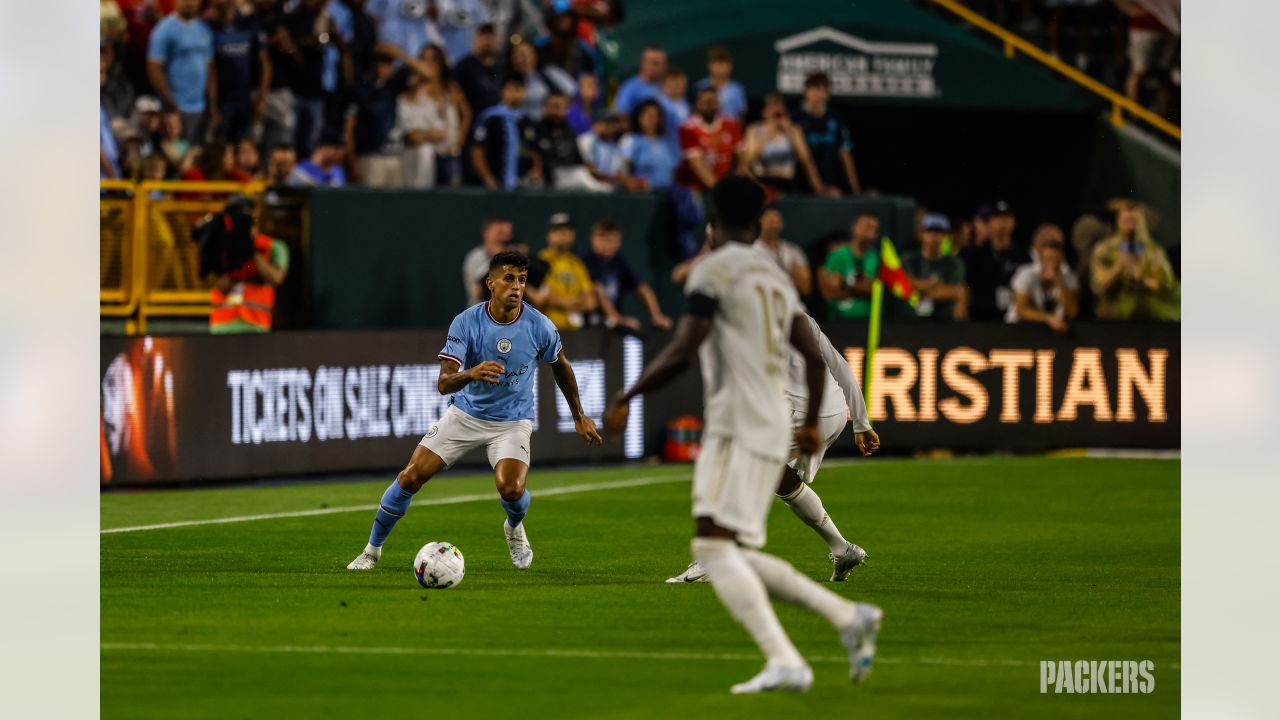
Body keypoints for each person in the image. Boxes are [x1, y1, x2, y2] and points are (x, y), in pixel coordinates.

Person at [603, 177, 884, 694]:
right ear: (758, 225)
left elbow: (685, 348)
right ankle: (840, 619)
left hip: (739, 421)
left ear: (711, 223)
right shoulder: (774, 275)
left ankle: (804, 647)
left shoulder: (711, 269)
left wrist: (628, 395)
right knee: (721, 545)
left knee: (716, 547)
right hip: (768, 419)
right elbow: (813, 350)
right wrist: (807, 424)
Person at [346, 250, 603, 572]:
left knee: (511, 489)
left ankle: (514, 528)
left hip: (512, 422)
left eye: (522, 280)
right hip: (465, 416)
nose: (517, 286)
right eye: (509, 278)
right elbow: (443, 384)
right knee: (410, 477)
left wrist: (579, 415)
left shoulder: (540, 326)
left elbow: (561, 366)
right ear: (491, 283)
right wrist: (471, 373)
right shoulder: (467, 322)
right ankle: (371, 551)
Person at [667, 310, 876, 583]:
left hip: (800, 411)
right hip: (834, 411)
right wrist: (860, 422)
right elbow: (839, 365)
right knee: (781, 479)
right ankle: (842, 549)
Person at [345, 44, 433, 187]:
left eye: (389, 63)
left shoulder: (392, 86)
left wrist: (399, 54)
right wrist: (351, 162)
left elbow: (428, 74)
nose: (387, 67)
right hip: (370, 156)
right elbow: (349, 129)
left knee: (393, 206)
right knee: (372, 205)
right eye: (383, 62)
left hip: (394, 155)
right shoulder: (360, 89)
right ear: (373, 64)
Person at [205, 197, 290, 334]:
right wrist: (238, 264)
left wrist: (252, 251)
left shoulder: (274, 246)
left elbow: (276, 278)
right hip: (222, 325)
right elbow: (220, 287)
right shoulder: (220, 246)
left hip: (256, 325)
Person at [1090, 200, 1180, 320]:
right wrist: (1120, 266)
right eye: (1126, 221)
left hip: (1149, 320)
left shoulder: (1154, 252)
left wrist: (1140, 280)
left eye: (1134, 221)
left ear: (1142, 224)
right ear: (1119, 223)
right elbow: (1100, 286)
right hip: (1113, 320)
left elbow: (1162, 285)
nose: (1130, 227)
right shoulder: (1105, 249)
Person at [581, 219, 671, 330]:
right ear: (593, 239)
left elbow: (642, 288)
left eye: (613, 240)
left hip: (612, 328)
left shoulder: (618, 261)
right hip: (587, 326)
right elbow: (598, 291)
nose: (608, 245)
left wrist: (657, 316)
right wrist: (618, 319)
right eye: (603, 239)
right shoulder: (585, 261)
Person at [396, 45, 466, 189]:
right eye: (424, 59)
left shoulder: (451, 88)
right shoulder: (415, 91)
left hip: (450, 154)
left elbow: (466, 113)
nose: (429, 64)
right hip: (427, 153)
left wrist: (460, 139)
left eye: (434, 60)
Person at [146, 0, 215, 145]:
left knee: (193, 156)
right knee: (175, 158)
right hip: (175, 108)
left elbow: (209, 68)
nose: (189, 3)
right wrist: (170, 102)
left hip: (199, 107)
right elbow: (154, 68)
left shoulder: (204, 29)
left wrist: (212, 104)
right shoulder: (164, 29)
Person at [204, 0, 270, 143]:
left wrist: (261, 97)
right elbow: (210, 69)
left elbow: (264, 63)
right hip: (221, 102)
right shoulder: (209, 27)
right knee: (220, 146)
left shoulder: (248, 25)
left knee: (244, 147)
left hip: (246, 100)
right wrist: (212, 105)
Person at [739, 94, 824, 195]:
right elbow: (748, 160)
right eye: (771, 108)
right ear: (764, 112)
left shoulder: (794, 130)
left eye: (779, 108)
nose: (776, 112)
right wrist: (767, 136)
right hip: (763, 181)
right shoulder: (754, 129)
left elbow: (805, 159)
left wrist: (790, 132)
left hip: (786, 181)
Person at [469, 73, 541, 190]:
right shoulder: (490, 118)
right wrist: (487, 177)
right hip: (494, 183)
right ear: (503, 91)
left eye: (520, 89)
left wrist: (536, 171)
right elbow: (477, 151)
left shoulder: (526, 121)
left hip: (523, 185)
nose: (516, 94)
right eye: (513, 89)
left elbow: (535, 150)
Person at [792, 73, 860, 195]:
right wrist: (819, 188)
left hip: (832, 186)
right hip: (800, 187)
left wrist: (856, 190)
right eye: (814, 89)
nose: (818, 95)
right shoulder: (794, 118)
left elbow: (845, 154)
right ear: (805, 91)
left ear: (828, 94)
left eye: (822, 90)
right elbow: (804, 157)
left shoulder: (836, 118)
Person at [961, 200, 1028, 321]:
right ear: (990, 222)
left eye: (1007, 218)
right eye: (998, 218)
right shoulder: (974, 254)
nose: (1002, 223)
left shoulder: (1023, 255)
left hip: (1016, 320)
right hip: (981, 319)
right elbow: (965, 288)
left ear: (1013, 222)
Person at [1007, 223, 1079, 332]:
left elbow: (1072, 312)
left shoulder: (1068, 278)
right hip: (1017, 329)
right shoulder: (1025, 274)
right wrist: (1048, 319)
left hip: (1053, 331)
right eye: (1048, 260)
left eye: (1056, 261)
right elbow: (1021, 311)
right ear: (1040, 260)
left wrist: (1058, 282)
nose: (1052, 265)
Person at [532, 92, 609, 192]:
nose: (557, 111)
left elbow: (579, 161)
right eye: (553, 106)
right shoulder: (537, 130)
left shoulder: (569, 132)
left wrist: (599, 174)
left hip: (568, 177)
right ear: (545, 108)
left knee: (601, 184)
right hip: (548, 178)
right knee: (580, 175)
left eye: (561, 107)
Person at [537, 213, 598, 330]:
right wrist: (576, 302)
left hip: (575, 332)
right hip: (548, 330)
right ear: (548, 235)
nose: (563, 234)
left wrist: (563, 302)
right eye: (558, 230)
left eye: (567, 230)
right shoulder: (541, 260)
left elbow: (591, 302)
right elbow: (544, 296)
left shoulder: (577, 263)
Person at [902, 213, 967, 321]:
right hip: (911, 323)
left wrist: (919, 287)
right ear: (922, 233)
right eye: (930, 232)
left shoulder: (954, 263)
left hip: (944, 323)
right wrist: (936, 286)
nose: (935, 237)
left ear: (946, 236)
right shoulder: (909, 259)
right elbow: (904, 285)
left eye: (940, 233)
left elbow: (958, 291)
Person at [677, 86, 741, 193]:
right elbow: (697, 164)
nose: (709, 107)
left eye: (713, 102)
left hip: (727, 185)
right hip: (696, 188)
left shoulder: (731, 124)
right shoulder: (688, 128)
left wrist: (739, 177)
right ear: (697, 104)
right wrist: (719, 190)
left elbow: (742, 154)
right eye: (705, 102)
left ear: (719, 103)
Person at [819, 212, 881, 321]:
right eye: (865, 227)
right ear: (853, 227)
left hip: (868, 322)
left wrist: (844, 283)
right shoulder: (837, 255)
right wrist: (862, 288)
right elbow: (829, 291)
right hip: (837, 320)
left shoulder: (878, 258)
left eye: (873, 229)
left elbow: (875, 290)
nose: (869, 232)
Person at [508, 40, 576, 122]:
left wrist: (558, 103)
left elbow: (574, 91)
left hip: (553, 123)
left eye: (528, 52)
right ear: (512, 58)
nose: (525, 57)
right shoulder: (509, 82)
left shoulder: (549, 73)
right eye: (519, 54)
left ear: (535, 54)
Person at [619, 99, 680, 190]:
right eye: (646, 115)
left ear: (659, 119)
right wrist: (632, 183)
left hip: (668, 193)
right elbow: (622, 169)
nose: (650, 119)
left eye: (653, 116)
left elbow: (674, 170)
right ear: (639, 117)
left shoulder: (667, 142)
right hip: (643, 194)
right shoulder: (631, 139)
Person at [754, 207, 812, 296]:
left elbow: (806, 287)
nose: (774, 226)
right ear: (760, 222)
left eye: (777, 222)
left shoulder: (793, 251)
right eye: (770, 222)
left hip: (789, 299)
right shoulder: (751, 249)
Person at [453, 23, 503, 117]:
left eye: (491, 36)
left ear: (498, 40)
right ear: (474, 40)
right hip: (473, 125)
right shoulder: (463, 68)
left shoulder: (504, 66)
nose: (487, 40)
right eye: (483, 36)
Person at [462, 216, 514, 305]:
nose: (502, 239)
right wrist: (497, 259)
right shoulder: (475, 258)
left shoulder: (515, 257)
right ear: (487, 233)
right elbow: (477, 293)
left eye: (506, 235)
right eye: (499, 233)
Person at [576, 109, 632, 191]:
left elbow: (620, 175)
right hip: (587, 188)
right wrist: (609, 178)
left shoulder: (618, 148)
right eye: (606, 123)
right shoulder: (585, 140)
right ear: (595, 124)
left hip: (609, 191)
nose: (611, 127)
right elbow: (587, 168)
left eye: (613, 123)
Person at [612, 46, 667, 117]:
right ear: (643, 63)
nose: (653, 67)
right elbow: (621, 116)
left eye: (658, 63)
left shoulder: (667, 86)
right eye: (651, 63)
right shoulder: (629, 88)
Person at [695, 46, 746, 121]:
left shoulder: (737, 89)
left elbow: (741, 114)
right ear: (709, 66)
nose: (720, 67)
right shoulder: (701, 86)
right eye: (716, 64)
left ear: (730, 66)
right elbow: (696, 113)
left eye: (723, 64)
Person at [566, 71, 601, 135]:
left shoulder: (597, 109)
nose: (594, 88)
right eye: (590, 86)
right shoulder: (571, 112)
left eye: (596, 85)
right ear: (579, 89)